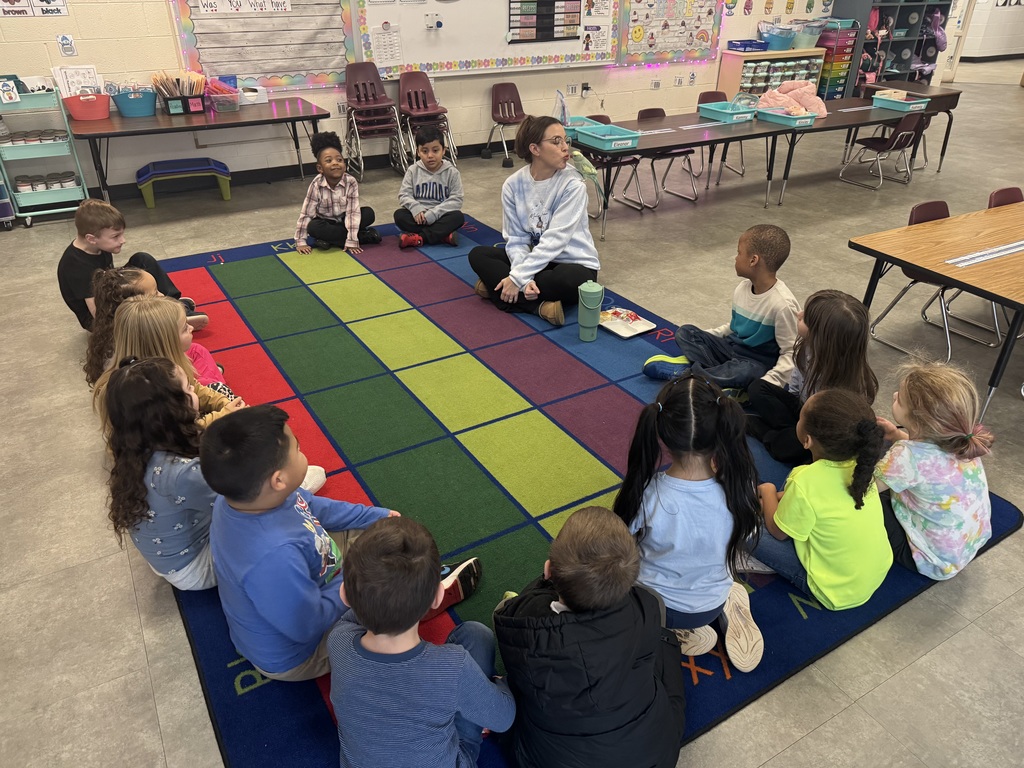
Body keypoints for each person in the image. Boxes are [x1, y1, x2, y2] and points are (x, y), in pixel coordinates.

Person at [201, 406, 482, 681]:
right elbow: (306, 626)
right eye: (296, 448)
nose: (302, 451)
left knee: (386, 540)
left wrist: (377, 517)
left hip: (307, 580)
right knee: (382, 588)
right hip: (301, 652)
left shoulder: (244, 499)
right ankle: (419, 601)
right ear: (279, 479)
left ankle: (404, 588)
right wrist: (356, 579)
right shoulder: (272, 558)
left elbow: (314, 507)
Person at [493, 506, 686, 768]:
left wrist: (542, 586)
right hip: (654, 756)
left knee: (507, 699)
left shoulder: (526, 624)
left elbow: (508, 617)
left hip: (552, 759)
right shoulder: (647, 607)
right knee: (663, 652)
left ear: (548, 570)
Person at [328, 516, 512, 767]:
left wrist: (383, 600)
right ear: (437, 597)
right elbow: (503, 718)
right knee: (477, 635)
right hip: (450, 753)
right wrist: (503, 685)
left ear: (345, 594)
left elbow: (354, 617)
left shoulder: (339, 640)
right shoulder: (452, 668)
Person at [612, 375, 764, 671]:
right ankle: (717, 614)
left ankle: (675, 631)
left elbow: (618, 545)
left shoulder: (649, 493)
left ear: (661, 434)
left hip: (652, 609)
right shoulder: (739, 487)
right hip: (709, 605)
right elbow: (750, 531)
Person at [754, 389, 892, 610]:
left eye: (800, 417)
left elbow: (777, 533)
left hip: (831, 591)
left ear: (807, 440)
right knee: (785, 501)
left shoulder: (805, 479)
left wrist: (768, 490)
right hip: (872, 574)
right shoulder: (862, 467)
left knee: (739, 527)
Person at [468, 115, 600, 327]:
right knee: (479, 255)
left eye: (566, 140)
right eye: (556, 141)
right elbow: (517, 240)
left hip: (574, 263)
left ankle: (497, 289)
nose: (565, 147)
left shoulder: (574, 185)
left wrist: (516, 278)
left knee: (566, 281)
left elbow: (556, 240)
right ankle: (539, 307)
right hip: (540, 263)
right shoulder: (513, 185)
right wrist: (524, 279)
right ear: (535, 149)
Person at [100, 356, 218, 590]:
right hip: (195, 569)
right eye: (188, 389)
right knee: (263, 515)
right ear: (172, 410)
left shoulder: (135, 446)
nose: (194, 390)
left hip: (168, 560)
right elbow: (241, 500)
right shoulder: (182, 473)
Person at [643, 224, 800, 391]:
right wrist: (703, 338)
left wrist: (768, 384)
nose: (735, 257)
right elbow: (733, 327)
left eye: (739, 252)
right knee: (686, 332)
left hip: (756, 363)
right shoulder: (742, 288)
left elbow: (791, 352)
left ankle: (689, 375)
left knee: (745, 371)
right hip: (731, 350)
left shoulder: (782, 305)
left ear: (753, 260)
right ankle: (713, 377)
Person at [875, 363, 993, 580]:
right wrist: (896, 435)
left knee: (864, 503)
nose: (893, 395)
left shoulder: (906, 455)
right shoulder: (963, 440)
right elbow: (931, 459)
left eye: (899, 399)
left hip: (929, 560)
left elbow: (866, 489)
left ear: (919, 420)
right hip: (967, 545)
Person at [746, 289, 878, 464]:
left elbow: (832, 434)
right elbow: (794, 385)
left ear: (821, 337)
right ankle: (788, 430)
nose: (798, 313)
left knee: (785, 447)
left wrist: (802, 430)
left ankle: (771, 432)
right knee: (757, 388)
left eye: (805, 318)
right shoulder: (807, 348)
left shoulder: (850, 384)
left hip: (821, 428)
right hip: (803, 408)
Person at [93, 296, 244, 430]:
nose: (191, 328)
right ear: (167, 342)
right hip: (175, 447)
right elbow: (178, 436)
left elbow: (197, 388)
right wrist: (221, 417)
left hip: (182, 430)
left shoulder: (167, 369)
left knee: (219, 390)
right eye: (185, 328)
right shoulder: (146, 390)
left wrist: (223, 403)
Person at [57, 199, 208, 332]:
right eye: (116, 236)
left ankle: (174, 305)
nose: (123, 240)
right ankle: (168, 317)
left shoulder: (99, 246)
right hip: (101, 319)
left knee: (142, 259)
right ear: (91, 238)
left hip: (109, 292)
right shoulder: (77, 267)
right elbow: (98, 314)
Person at [84, 267, 233, 398]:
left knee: (197, 350)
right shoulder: (147, 369)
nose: (162, 295)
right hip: (175, 389)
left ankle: (209, 376)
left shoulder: (127, 331)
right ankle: (212, 379)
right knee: (209, 383)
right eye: (155, 293)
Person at [293, 131, 380, 255]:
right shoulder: (316, 184)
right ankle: (363, 237)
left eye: (339, 160)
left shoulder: (351, 182)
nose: (335, 163)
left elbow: (352, 212)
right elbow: (307, 213)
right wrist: (301, 241)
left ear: (344, 164)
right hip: (326, 222)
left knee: (368, 213)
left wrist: (351, 240)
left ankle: (331, 240)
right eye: (328, 161)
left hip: (345, 219)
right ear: (320, 168)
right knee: (313, 227)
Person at [394, 125, 465, 249]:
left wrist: (434, 213)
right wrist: (416, 208)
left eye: (435, 150)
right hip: (418, 217)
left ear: (444, 150)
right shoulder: (412, 171)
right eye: (425, 151)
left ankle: (420, 238)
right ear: (418, 152)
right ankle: (441, 235)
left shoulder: (452, 172)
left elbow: (456, 200)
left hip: (440, 215)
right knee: (399, 216)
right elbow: (404, 195)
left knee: (458, 217)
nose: (430, 155)